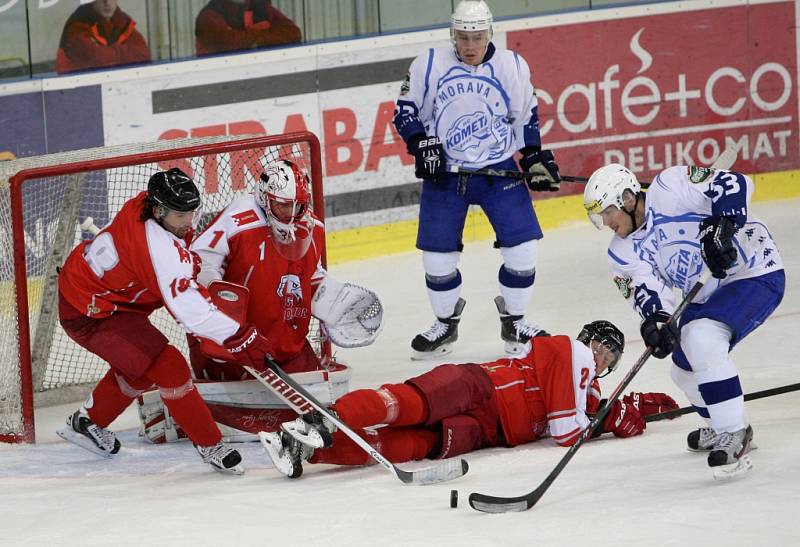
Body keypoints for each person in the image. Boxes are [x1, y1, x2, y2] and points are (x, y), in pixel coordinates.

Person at [57, 168, 274, 475]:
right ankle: (210, 444)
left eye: (191, 213)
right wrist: (239, 336)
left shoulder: (147, 205)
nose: (188, 223)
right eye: (180, 216)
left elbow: (179, 273)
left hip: (102, 294)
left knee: (142, 366)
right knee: (169, 366)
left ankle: (87, 422)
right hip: (90, 311)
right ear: (158, 210)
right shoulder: (158, 249)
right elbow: (188, 309)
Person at [262, 321, 679, 478]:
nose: (603, 356)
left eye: (611, 355)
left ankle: (306, 452)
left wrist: (631, 408)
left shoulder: (587, 395)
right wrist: (608, 420)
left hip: (487, 431)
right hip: (478, 385)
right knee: (407, 402)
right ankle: (325, 420)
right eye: (602, 346)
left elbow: (591, 412)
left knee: (416, 445)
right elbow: (566, 433)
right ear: (588, 340)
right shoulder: (570, 349)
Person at [583, 163, 785, 477]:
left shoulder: (670, 187)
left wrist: (722, 224)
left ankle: (735, 432)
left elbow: (736, 182)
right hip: (708, 293)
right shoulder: (622, 252)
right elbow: (649, 294)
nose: (605, 222)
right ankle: (720, 426)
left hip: (754, 271)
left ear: (627, 198)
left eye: (607, 212)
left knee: (701, 339)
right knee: (682, 368)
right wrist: (656, 323)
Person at [393, 0, 562, 360]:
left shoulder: (512, 66)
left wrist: (532, 155)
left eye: (477, 36)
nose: (469, 45)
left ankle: (514, 322)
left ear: (490, 32)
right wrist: (421, 145)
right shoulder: (429, 64)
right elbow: (404, 111)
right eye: (463, 37)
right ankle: (444, 325)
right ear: (452, 34)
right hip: (447, 173)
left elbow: (526, 116)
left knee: (523, 250)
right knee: (437, 261)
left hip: (497, 168)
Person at [189, 159, 383, 382]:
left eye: (298, 206)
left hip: (288, 345)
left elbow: (310, 275)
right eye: (283, 205)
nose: (292, 214)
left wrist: (332, 301)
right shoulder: (239, 219)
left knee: (319, 401)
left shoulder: (312, 227)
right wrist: (221, 319)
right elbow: (199, 262)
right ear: (265, 197)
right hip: (239, 346)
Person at [56, 0, 150, 74]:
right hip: (78, 92)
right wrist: (125, 52)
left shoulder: (123, 22)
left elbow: (143, 54)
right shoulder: (76, 26)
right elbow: (95, 59)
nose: (107, 2)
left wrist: (108, 52)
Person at [195, 0, 302, 56]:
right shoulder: (208, 16)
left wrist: (257, 41)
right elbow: (228, 44)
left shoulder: (261, 7)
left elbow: (293, 33)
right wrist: (264, 35)